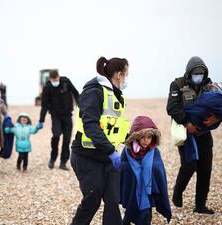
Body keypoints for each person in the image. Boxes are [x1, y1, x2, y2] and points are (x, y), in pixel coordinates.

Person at [70, 56, 130, 225]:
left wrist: (133, 141)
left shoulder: (118, 96)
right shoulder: (94, 92)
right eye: (126, 73)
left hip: (107, 158)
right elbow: (91, 126)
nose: (127, 78)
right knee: (92, 200)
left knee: (113, 201)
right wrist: (111, 152)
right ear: (119, 74)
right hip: (86, 156)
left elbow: (116, 127)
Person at [166, 56, 222, 214]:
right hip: (186, 134)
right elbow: (172, 107)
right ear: (189, 73)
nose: (198, 76)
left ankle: (200, 205)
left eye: (201, 73)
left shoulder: (211, 87)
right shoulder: (177, 85)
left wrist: (217, 118)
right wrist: (186, 123)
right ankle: (178, 192)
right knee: (189, 165)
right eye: (195, 73)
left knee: (205, 169)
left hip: (204, 133)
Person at [119, 116, 171, 225]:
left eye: (149, 137)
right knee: (130, 212)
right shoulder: (128, 151)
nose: (146, 141)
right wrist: (132, 170)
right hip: (133, 189)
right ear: (136, 137)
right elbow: (122, 168)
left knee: (146, 215)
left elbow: (158, 170)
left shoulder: (154, 152)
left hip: (148, 190)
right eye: (142, 137)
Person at [38, 69, 79, 170]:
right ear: (50, 79)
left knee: (67, 139)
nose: (55, 81)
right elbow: (44, 105)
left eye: (56, 79)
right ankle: (52, 159)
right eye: (53, 80)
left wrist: (81, 106)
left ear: (58, 77)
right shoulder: (47, 87)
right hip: (55, 116)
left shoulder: (66, 82)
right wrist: (41, 120)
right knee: (56, 135)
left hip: (67, 115)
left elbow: (76, 93)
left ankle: (63, 162)